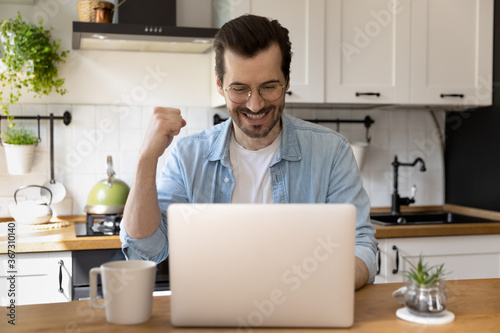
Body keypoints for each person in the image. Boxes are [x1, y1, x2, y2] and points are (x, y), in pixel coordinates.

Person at [120, 14, 378, 290]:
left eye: (269, 87)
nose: (255, 105)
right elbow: (145, 250)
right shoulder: (188, 156)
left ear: (287, 81)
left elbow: (361, 244)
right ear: (219, 85)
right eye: (240, 89)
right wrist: (146, 159)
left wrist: (322, 285)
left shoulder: (331, 152)